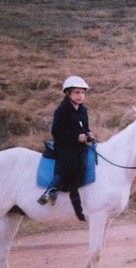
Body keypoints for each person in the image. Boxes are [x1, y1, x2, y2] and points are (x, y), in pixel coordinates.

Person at [37, 76, 94, 209]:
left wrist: (88, 133)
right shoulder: (61, 111)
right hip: (64, 145)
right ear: (68, 93)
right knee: (70, 163)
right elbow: (56, 132)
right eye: (77, 92)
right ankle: (51, 190)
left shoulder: (83, 110)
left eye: (83, 93)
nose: (81, 96)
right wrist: (76, 137)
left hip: (79, 145)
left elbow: (84, 127)